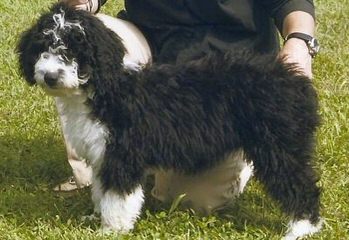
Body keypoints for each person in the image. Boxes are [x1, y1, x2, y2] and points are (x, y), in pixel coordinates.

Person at [57, 0, 319, 214]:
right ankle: (96, 168)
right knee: (80, 31)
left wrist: (299, 40)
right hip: (148, 51)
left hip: (226, 79)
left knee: (186, 199)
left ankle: (240, 144)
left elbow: (291, 2)